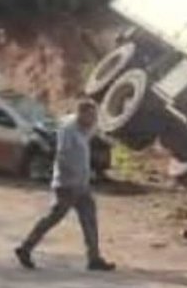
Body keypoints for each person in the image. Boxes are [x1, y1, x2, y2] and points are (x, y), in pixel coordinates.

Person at [14, 99, 116, 272]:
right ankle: (26, 247)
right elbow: (62, 155)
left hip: (81, 185)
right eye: (90, 116)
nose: (93, 119)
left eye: (94, 116)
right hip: (67, 185)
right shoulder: (68, 130)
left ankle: (94, 258)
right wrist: (70, 177)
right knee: (52, 218)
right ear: (81, 114)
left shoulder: (83, 129)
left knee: (89, 219)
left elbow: (94, 134)